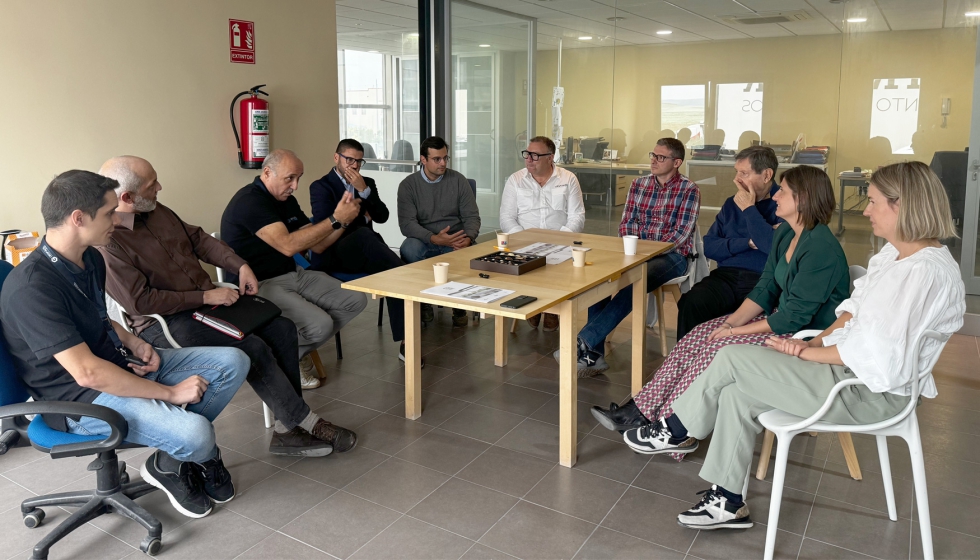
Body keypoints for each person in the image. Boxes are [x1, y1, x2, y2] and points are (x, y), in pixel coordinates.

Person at [619, 161, 963, 531]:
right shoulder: (895, 257)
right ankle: (727, 502)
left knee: (731, 357)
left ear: (902, 205)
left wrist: (805, 351)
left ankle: (676, 427)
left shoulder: (922, 273)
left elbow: (878, 352)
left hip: (869, 391)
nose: (865, 210)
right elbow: (852, 311)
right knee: (736, 393)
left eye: (874, 201)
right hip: (845, 372)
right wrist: (816, 341)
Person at [0, 170, 250, 519]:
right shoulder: (32, 288)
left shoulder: (90, 258)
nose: (116, 221)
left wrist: (131, 339)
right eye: (108, 213)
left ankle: (169, 460)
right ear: (78, 218)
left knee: (234, 361)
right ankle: (187, 454)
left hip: (117, 365)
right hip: (78, 400)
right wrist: (169, 394)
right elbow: (87, 374)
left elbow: (96, 316)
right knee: (197, 434)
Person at [98, 156, 356, 458]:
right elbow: (141, 301)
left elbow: (200, 240)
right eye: (152, 185)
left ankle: (286, 431)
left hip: (207, 305)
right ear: (127, 197)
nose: (160, 187)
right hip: (165, 323)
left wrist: (240, 264)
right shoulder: (109, 241)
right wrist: (205, 298)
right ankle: (306, 421)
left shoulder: (156, 210)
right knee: (252, 346)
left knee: (282, 328)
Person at [592, 166, 849, 440]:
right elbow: (766, 287)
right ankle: (639, 411)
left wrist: (734, 333)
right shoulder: (786, 233)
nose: (776, 197)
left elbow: (793, 318)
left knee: (716, 347)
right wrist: (729, 323)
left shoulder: (820, 246)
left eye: (783, 191)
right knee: (698, 335)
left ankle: (674, 427)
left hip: (803, 336)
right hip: (781, 321)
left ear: (804, 198)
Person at [220, 149, 368, 389]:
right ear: (267, 173)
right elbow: (288, 246)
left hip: (293, 274)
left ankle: (292, 352)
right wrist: (334, 219)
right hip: (259, 284)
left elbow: (317, 244)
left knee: (355, 300)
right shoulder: (250, 201)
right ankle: (286, 355)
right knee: (321, 325)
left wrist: (343, 221)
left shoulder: (286, 200)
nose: (295, 185)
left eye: (299, 177)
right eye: (290, 178)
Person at [558, 138, 699, 376]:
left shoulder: (689, 189)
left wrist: (644, 240)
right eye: (652, 155)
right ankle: (594, 354)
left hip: (673, 258)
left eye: (660, 157)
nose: (653, 160)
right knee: (601, 277)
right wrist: (646, 239)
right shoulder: (639, 184)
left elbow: (679, 236)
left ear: (677, 162)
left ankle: (583, 342)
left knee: (636, 280)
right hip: (635, 252)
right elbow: (625, 226)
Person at [308, 139, 411, 356]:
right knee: (367, 236)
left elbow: (383, 216)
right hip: (334, 253)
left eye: (359, 161)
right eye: (349, 160)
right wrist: (360, 220)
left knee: (395, 275)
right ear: (337, 158)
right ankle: (407, 275)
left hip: (364, 250)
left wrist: (364, 191)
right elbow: (324, 226)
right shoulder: (321, 187)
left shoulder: (367, 182)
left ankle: (406, 343)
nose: (354, 166)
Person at [676, 146, 782, 341]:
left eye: (744, 173)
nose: (736, 180)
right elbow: (709, 247)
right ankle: (687, 363)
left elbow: (771, 246)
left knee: (749, 317)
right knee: (692, 301)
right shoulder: (731, 204)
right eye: (736, 172)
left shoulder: (783, 203)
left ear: (766, 175)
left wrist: (749, 209)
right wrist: (749, 242)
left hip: (764, 280)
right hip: (726, 277)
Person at [499, 136, 585, 332]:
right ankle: (532, 301)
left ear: (550, 158)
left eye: (535, 155)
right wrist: (524, 240)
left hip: (561, 243)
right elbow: (506, 217)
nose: (529, 159)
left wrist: (560, 239)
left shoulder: (568, 179)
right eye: (527, 154)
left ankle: (553, 308)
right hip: (524, 244)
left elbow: (577, 217)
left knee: (560, 262)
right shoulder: (515, 180)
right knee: (530, 259)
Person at [397, 136, 481, 327]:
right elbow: (407, 224)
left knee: (471, 252)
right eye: (437, 159)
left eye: (445, 158)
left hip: (456, 240)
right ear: (423, 160)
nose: (443, 163)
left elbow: (472, 217)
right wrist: (434, 238)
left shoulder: (458, 180)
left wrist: (468, 238)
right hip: (425, 241)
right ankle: (425, 300)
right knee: (409, 248)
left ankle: (458, 303)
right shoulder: (408, 185)